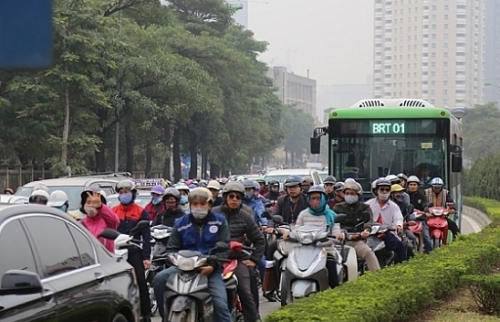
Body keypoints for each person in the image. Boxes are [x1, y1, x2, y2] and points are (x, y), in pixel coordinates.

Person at [153, 188, 233, 322]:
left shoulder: (220, 222)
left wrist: (212, 267)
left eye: (202, 204)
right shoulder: (180, 223)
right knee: (159, 278)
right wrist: (175, 259)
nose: (198, 207)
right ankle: (165, 316)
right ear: (190, 205)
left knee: (220, 306)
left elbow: (224, 248)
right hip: (183, 268)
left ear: (209, 205)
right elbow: (171, 249)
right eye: (195, 204)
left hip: (209, 269)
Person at [212, 182, 265, 321]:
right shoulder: (213, 214)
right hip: (214, 260)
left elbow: (259, 239)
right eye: (231, 196)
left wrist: (254, 260)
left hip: (237, 260)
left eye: (238, 197)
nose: (234, 199)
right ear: (225, 197)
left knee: (246, 292)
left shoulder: (245, 216)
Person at [112, 179, 152, 322]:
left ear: (133, 194)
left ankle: (146, 313)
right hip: (117, 252)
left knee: (141, 281)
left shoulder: (141, 211)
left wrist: (146, 257)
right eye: (121, 192)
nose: (124, 195)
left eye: (127, 192)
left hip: (134, 251)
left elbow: (146, 237)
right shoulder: (113, 211)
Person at [293, 185, 340, 288]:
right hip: (305, 250)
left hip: (325, 250)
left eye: (318, 198)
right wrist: (290, 234)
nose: (315, 201)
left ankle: (335, 290)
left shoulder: (331, 215)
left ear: (324, 199)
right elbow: (297, 229)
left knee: (331, 264)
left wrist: (337, 235)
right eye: (312, 198)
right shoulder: (303, 214)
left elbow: (336, 231)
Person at [332, 181, 380, 272]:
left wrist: (366, 230)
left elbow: (368, 220)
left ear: (358, 195)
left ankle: (378, 277)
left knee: (368, 253)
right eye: (347, 193)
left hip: (357, 240)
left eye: (352, 194)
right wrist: (338, 233)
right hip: (340, 241)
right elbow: (334, 222)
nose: (349, 195)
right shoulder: (338, 207)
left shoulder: (364, 207)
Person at [365, 179, 407, 263]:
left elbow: (398, 218)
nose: (384, 192)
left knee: (399, 245)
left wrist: (398, 226)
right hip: (369, 234)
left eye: (387, 190)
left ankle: (403, 267)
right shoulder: (368, 204)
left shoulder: (394, 206)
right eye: (382, 189)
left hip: (387, 234)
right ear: (376, 191)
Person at [79, 188, 120, 253]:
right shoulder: (80, 224)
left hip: (106, 259)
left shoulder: (107, 222)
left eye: (94, 203)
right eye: (88, 202)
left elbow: (115, 220)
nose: (91, 205)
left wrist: (100, 207)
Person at [406, 175, 433, 253]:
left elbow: (424, 204)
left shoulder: (421, 195)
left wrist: (426, 211)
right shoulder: (405, 195)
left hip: (420, 220)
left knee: (427, 237)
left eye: (414, 185)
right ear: (408, 186)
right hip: (408, 220)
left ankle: (429, 253)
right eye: (411, 185)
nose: (412, 187)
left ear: (418, 186)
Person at [390, 184, 417, 257]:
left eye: (401, 192)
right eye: (398, 192)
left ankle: (413, 257)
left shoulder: (403, 204)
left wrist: (410, 221)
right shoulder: (387, 205)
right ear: (392, 194)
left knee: (412, 239)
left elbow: (408, 213)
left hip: (402, 228)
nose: (401, 194)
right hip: (390, 229)